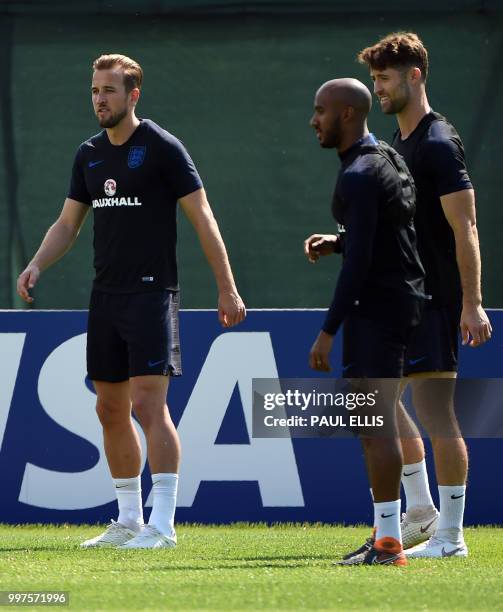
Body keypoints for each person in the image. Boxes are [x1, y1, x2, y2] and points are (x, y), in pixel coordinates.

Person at [16, 54, 246, 549]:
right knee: (108, 409)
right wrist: (37, 263)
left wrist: (227, 287)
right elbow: (67, 223)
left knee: (149, 405)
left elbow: (202, 217)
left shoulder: (162, 148)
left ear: (133, 95)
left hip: (151, 292)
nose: (100, 99)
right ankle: (128, 520)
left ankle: (163, 525)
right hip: (107, 295)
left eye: (110, 91)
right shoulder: (89, 154)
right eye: (95, 91)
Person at [355, 32, 492, 558]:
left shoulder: (437, 142)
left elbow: (467, 228)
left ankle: (451, 537)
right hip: (401, 303)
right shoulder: (398, 143)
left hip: (435, 302)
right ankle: (419, 512)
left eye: (385, 79)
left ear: (415, 76)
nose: (379, 89)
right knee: (377, 401)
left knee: (436, 414)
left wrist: (471, 302)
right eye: (374, 80)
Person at [304, 77, 426, 565]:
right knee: (373, 417)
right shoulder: (387, 158)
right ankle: (387, 534)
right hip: (400, 299)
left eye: (320, 110)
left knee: (372, 421)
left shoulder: (358, 172)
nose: (314, 120)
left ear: (347, 114)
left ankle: (389, 543)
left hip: (378, 306)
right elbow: (380, 232)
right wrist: (339, 239)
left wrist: (328, 330)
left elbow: (361, 266)